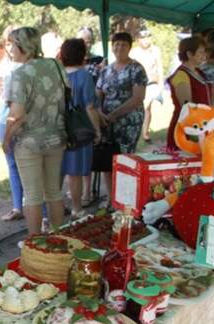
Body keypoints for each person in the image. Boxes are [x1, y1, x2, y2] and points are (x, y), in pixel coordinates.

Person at [2, 27, 66, 236]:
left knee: (32, 195)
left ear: (23, 46)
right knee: (53, 192)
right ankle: (57, 237)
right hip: (56, 136)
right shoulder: (55, 65)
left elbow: (16, 114)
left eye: (12, 44)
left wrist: (6, 139)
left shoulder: (20, 74)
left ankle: (35, 243)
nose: (10, 49)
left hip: (29, 142)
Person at [95, 32, 147, 208]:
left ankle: (125, 199)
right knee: (107, 160)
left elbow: (137, 98)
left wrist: (114, 115)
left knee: (124, 160)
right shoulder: (106, 69)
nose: (119, 48)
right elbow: (98, 94)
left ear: (129, 47)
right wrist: (99, 113)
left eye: (123, 45)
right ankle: (111, 197)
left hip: (128, 123)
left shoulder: (136, 69)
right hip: (106, 122)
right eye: (116, 44)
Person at [60, 39, 102, 219]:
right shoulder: (84, 75)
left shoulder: (57, 73)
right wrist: (97, 130)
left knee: (58, 171)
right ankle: (77, 208)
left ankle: (56, 208)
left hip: (58, 126)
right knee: (75, 172)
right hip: (78, 130)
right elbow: (90, 106)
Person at [0, 25, 24, 222]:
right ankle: (17, 206)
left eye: (13, 43)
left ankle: (40, 212)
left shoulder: (26, 65)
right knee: (12, 165)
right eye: (7, 43)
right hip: (5, 118)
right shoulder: (5, 64)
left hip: (22, 119)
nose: (10, 47)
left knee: (28, 165)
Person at [166, 35, 212, 151]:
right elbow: (187, 107)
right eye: (200, 52)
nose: (204, 55)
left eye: (204, 52)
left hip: (202, 126)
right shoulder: (181, 75)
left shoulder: (199, 72)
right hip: (188, 129)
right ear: (189, 54)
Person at [130, 29, 164, 143]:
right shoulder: (134, 52)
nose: (146, 40)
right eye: (143, 37)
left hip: (151, 84)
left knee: (146, 107)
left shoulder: (155, 51)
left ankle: (145, 132)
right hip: (137, 84)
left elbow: (160, 67)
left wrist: (161, 83)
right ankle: (139, 129)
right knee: (140, 107)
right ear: (138, 39)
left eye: (148, 37)